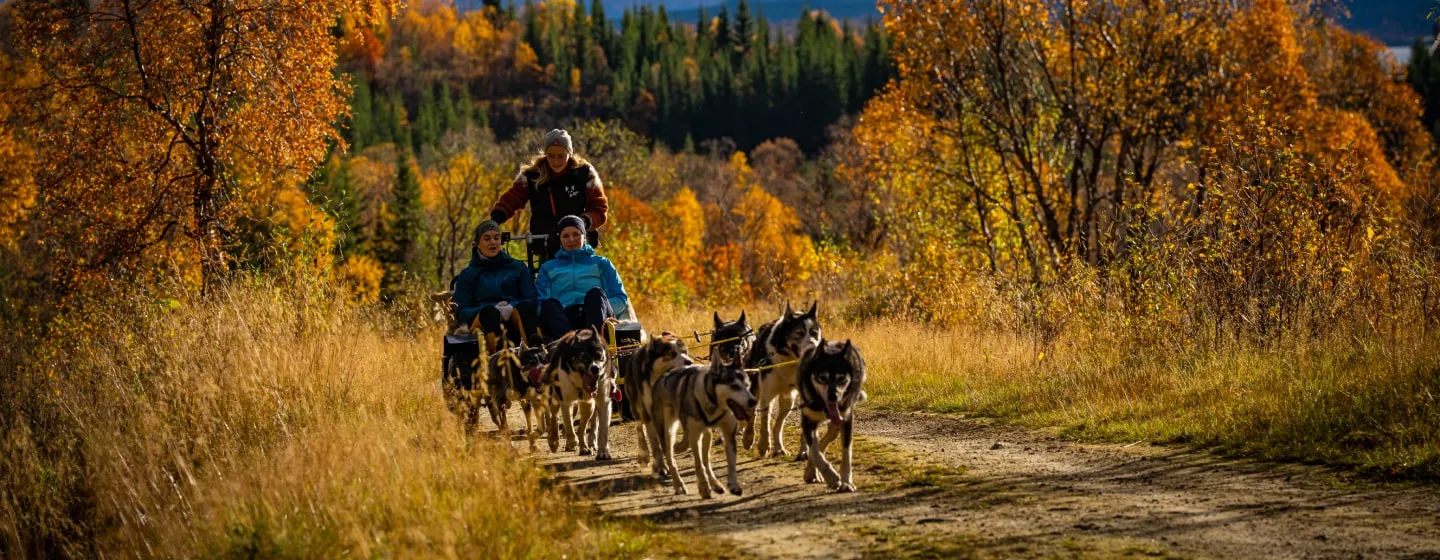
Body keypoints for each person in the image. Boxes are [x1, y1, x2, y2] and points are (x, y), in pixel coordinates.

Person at [489, 129, 610, 262]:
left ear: (569, 153)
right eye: (551, 156)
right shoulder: (531, 176)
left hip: (578, 245)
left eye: (561, 156)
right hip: (545, 245)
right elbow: (512, 199)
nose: (556, 161)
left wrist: (582, 223)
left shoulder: (585, 173)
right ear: (545, 154)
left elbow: (599, 209)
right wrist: (495, 220)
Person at [535, 215, 630, 341]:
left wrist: (599, 306)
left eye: (576, 234)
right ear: (560, 239)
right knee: (548, 304)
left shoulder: (602, 263)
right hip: (563, 320)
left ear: (584, 236)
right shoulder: (548, 268)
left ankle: (593, 341)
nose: (571, 239)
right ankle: (569, 343)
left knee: (595, 294)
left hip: (596, 317)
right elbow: (539, 303)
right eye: (566, 236)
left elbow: (621, 299)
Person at [451, 220, 542, 351]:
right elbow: (462, 311)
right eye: (487, 239)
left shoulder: (517, 267)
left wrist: (512, 306)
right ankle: (499, 355)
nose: (493, 242)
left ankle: (534, 351)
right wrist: (492, 308)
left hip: (514, 317)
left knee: (526, 307)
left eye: (496, 238)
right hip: (484, 322)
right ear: (477, 243)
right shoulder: (468, 274)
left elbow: (530, 297)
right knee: (489, 313)